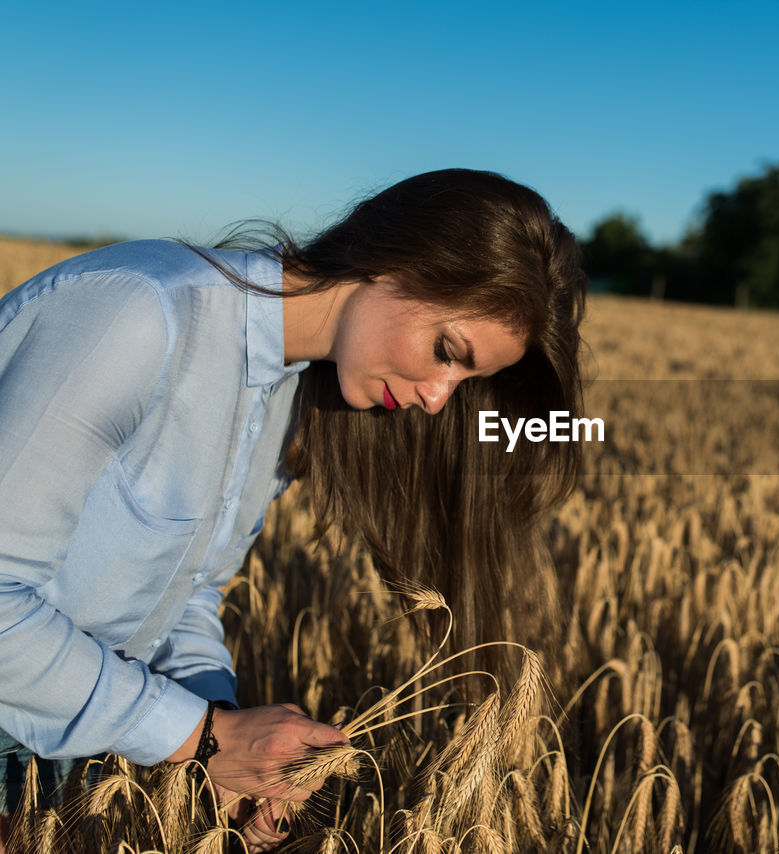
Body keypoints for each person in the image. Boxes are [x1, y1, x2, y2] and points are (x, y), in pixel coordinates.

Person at [0, 169, 587, 852]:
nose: (437, 398)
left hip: (65, 745)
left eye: (463, 382)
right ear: (392, 260)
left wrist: (226, 737)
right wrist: (200, 738)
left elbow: (184, 598)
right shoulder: (137, 316)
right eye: (446, 353)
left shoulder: (289, 396)